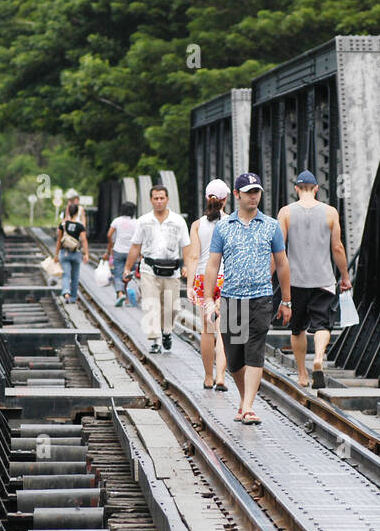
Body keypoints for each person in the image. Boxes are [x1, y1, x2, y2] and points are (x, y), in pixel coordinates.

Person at [202, 172, 291, 425]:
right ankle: (245, 400)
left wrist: (286, 301)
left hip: (261, 298)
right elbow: (212, 265)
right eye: (249, 192)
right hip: (231, 299)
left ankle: (249, 406)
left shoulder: (271, 226)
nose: (254, 196)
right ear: (237, 195)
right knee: (234, 359)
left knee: (255, 352)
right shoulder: (223, 227)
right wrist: (209, 298)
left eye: (257, 192)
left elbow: (283, 265)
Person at [278, 169, 351, 388]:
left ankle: (302, 374)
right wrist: (345, 276)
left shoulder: (286, 213)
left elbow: (279, 250)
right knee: (322, 325)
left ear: (296, 189)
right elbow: (337, 248)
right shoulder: (330, 212)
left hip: (295, 280)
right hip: (323, 279)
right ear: (317, 189)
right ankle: (319, 357)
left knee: (297, 328)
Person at [124, 185, 189, 353]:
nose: (159, 201)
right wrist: (127, 268)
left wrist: (187, 266)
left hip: (172, 270)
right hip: (149, 269)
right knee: (150, 304)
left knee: (172, 307)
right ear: (151, 200)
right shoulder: (143, 221)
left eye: (162, 198)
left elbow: (186, 246)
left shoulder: (178, 221)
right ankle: (155, 340)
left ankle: (166, 332)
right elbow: (135, 246)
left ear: (167, 199)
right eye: (156, 198)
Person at [186, 179, 230, 391]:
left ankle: (208, 377)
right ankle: (222, 375)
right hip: (225, 278)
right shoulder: (233, 222)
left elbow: (194, 256)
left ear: (206, 198)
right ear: (226, 199)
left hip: (204, 279)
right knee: (224, 330)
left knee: (208, 329)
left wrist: (189, 286)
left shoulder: (197, 225)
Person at [55, 200, 90, 303]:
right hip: (76, 253)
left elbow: (59, 240)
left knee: (65, 274)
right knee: (75, 276)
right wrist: (86, 254)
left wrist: (56, 255)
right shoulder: (80, 226)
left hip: (64, 252)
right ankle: (73, 298)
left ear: (68, 212)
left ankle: (66, 292)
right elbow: (84, 240)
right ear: (77, 212)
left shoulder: (63, 224)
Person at [107, 202, 137, 306]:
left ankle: (120, 294)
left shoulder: (117, 221)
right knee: (129, 275)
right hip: (131, 252)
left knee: (118, 274)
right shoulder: (136, 222)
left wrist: (111, 244)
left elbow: (109, 234)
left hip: (118, 250)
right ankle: (128, 299)